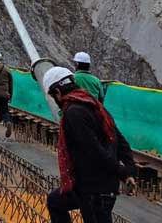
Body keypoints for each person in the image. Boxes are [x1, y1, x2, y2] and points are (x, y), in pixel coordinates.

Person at [43, 66, 136, 223]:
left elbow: (94, 152)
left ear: (58, 93)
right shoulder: (96, 106)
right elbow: (121, 142)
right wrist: (129, 172)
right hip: (95, 186)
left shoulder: (73, 113)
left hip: (94, 190)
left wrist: (122, 172)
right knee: (55, 201)